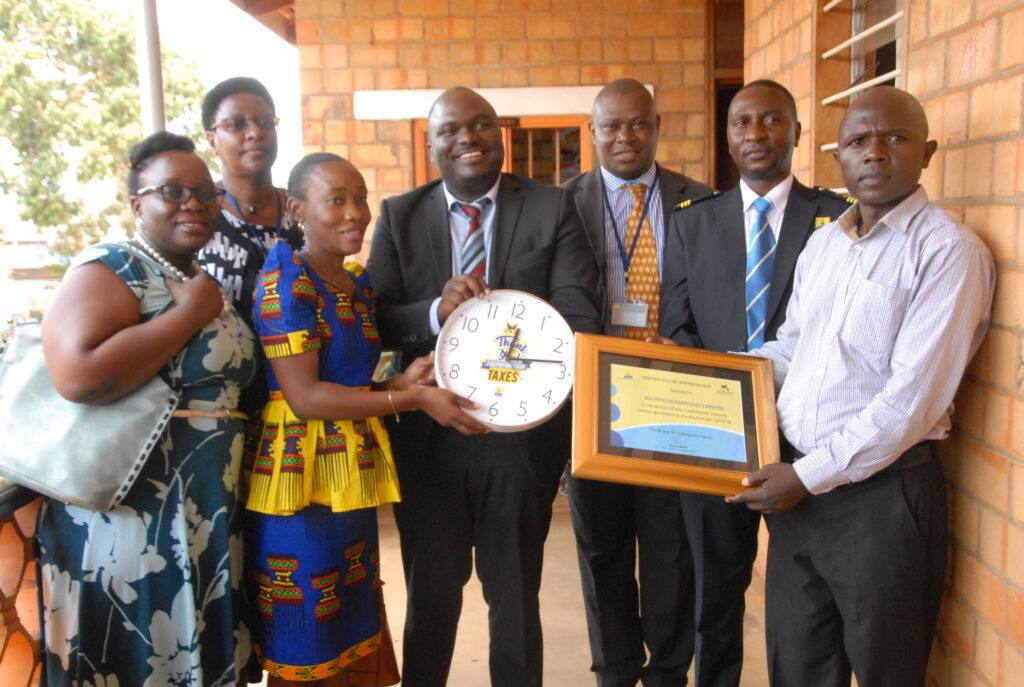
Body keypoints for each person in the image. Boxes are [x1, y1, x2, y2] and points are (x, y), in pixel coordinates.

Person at [727, 86, 995, 686]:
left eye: (894, 138)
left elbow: (909, 403)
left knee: (885, 671)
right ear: (837, 157)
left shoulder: (947, 252)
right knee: (796, 669)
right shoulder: (824, 245)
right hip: (799, 498)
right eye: (857, 142)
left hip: (882, 502)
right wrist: (711, 380)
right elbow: (791, 346)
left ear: (926, 152)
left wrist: (807, 476)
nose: (874, 153)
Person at [367, 86, 602, 687]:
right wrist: (434, 312)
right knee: (432, 599)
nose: (467, 138)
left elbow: (578, 303)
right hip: (430, 437)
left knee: (517, 598)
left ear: (500, 135)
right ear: (430, 145)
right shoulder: (399, 214)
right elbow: (378, 314)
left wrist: (531, 349)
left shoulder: (552, 206)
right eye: (450, 130)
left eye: (480, 126)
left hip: (519, 439)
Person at [244, 152, 486, 686]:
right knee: (307, 629)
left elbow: (346, 384)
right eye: (337, 200)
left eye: (360, 197)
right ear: (298, 209)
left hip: (348, 478)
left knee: (350, 616)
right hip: (299, 484)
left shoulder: (354, 282)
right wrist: (413, 401)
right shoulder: (288, 281)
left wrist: (398, 384)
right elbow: (305, 397)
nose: (356, 212)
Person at [36, 131, 254, 685]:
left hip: (204, 513)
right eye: (173, 192)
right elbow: (77, 374)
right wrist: (186, 316)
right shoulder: (113, 265)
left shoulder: (196, 279)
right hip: (133, 523)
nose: (195, 204)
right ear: (137, 203)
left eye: (206, 192)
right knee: (141, 658)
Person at [658, 79, 851, 687]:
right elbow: (675, 326)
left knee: (808, 599)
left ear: (796, 131)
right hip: (717, 437)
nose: (756, 133)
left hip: (807, 442)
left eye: (772, 120)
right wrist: (722, 394)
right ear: (729, 137)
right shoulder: (693, 223)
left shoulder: (838, 218)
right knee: (715, 592)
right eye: (743, 123)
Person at [561, 77, 712, 687]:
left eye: (638, 124)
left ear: (656, 127)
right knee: (602, 548)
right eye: (612, 126)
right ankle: (615, 671)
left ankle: (669, 670)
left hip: (673, 395)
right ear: (592, 132)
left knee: (672, 548)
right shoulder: (561, 204)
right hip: (592, 401)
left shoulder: (700, 201)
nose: (626, 136)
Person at [198, 76, 289, 322]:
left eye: (265, 123)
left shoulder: (303, 210)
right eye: (236, 124)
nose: (255, 133)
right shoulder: (195, 213)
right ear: (212, 140)